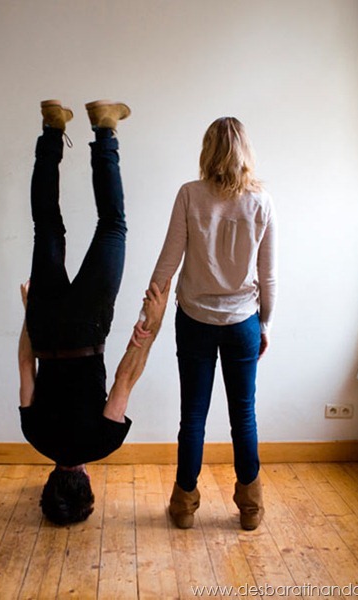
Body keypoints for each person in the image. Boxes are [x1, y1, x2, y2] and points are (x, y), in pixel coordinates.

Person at [18, 99, 169, 525]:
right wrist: (31, 314)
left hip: (87, 330)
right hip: (46, 328)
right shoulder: (35, 437)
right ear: (49, 482)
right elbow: (25, 365)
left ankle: (105, 128)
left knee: (113, 225)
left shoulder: (102, 443)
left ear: (86, 484)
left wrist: (150, 326)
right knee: (46, 226)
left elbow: (124, 377)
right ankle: (51, 128)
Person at [133, 117, 277, 530]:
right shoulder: (261, 201)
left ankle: (183, 505)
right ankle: (250, 507)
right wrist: (264, 323)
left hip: (194, 319)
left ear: (208, 149)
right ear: (245, 151)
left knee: (192, 415)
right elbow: (268, 277)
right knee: (243, 415)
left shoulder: (190, 195)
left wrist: (148, 317)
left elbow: (167, 263)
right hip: (243, 323)